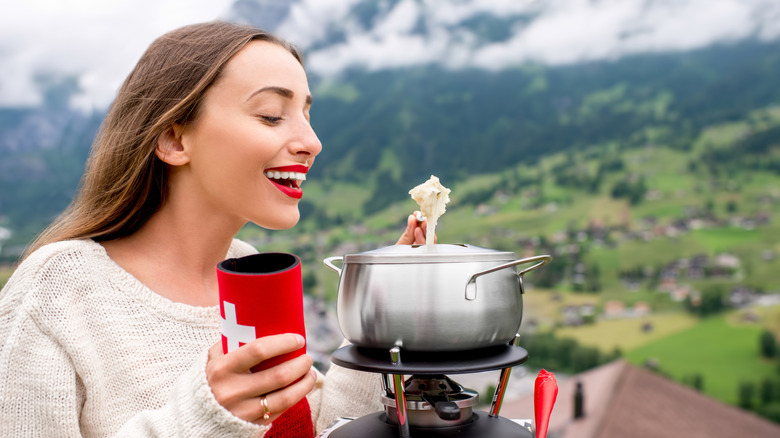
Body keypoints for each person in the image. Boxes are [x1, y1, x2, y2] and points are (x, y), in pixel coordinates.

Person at [0, 21, 430, 437]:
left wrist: (381, 311)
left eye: (305, 114)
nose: (312, 142)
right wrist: (205, 419)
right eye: (271, 116)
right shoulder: (57, 291)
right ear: (174, 139)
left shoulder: (249, 269)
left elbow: (317, 429)